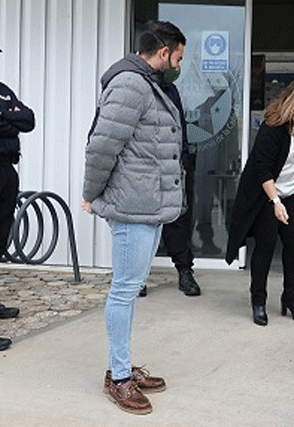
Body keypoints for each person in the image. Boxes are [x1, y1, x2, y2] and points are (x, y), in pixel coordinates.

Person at [82, 21, 186, 415]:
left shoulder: (147, 85)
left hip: (148, 204)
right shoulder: (130, 85)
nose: (178, 64)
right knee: (124, 291)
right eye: (178, 57)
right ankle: (119, 377)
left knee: (130, 288)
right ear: (163, 52)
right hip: (132, 206)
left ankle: (123, 366)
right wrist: (90, 193)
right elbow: (102, 147)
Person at [225, 80, 294, 326]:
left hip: (292, 195)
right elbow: (263, 169)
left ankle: (291, 300)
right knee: (266, 246)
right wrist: (275, 202)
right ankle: (258, 301)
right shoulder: (272, 129)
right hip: (267, 196)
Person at [143, 55, 201, 297]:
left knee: (175, 222)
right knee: (143, 224)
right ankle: (138, 277)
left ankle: (184, 271)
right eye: (177, 59)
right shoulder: (135, 87)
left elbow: (180, 130)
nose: (178, 67)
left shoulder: (171, 91)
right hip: (143, 168)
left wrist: (183, 161)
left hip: (171, 167)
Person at [0, 46, 35, 352]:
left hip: (7, 170)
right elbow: (13, 123)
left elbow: (29, 119)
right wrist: (9, 121)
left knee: (0, 239)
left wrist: (7, 118)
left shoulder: (3, 91)